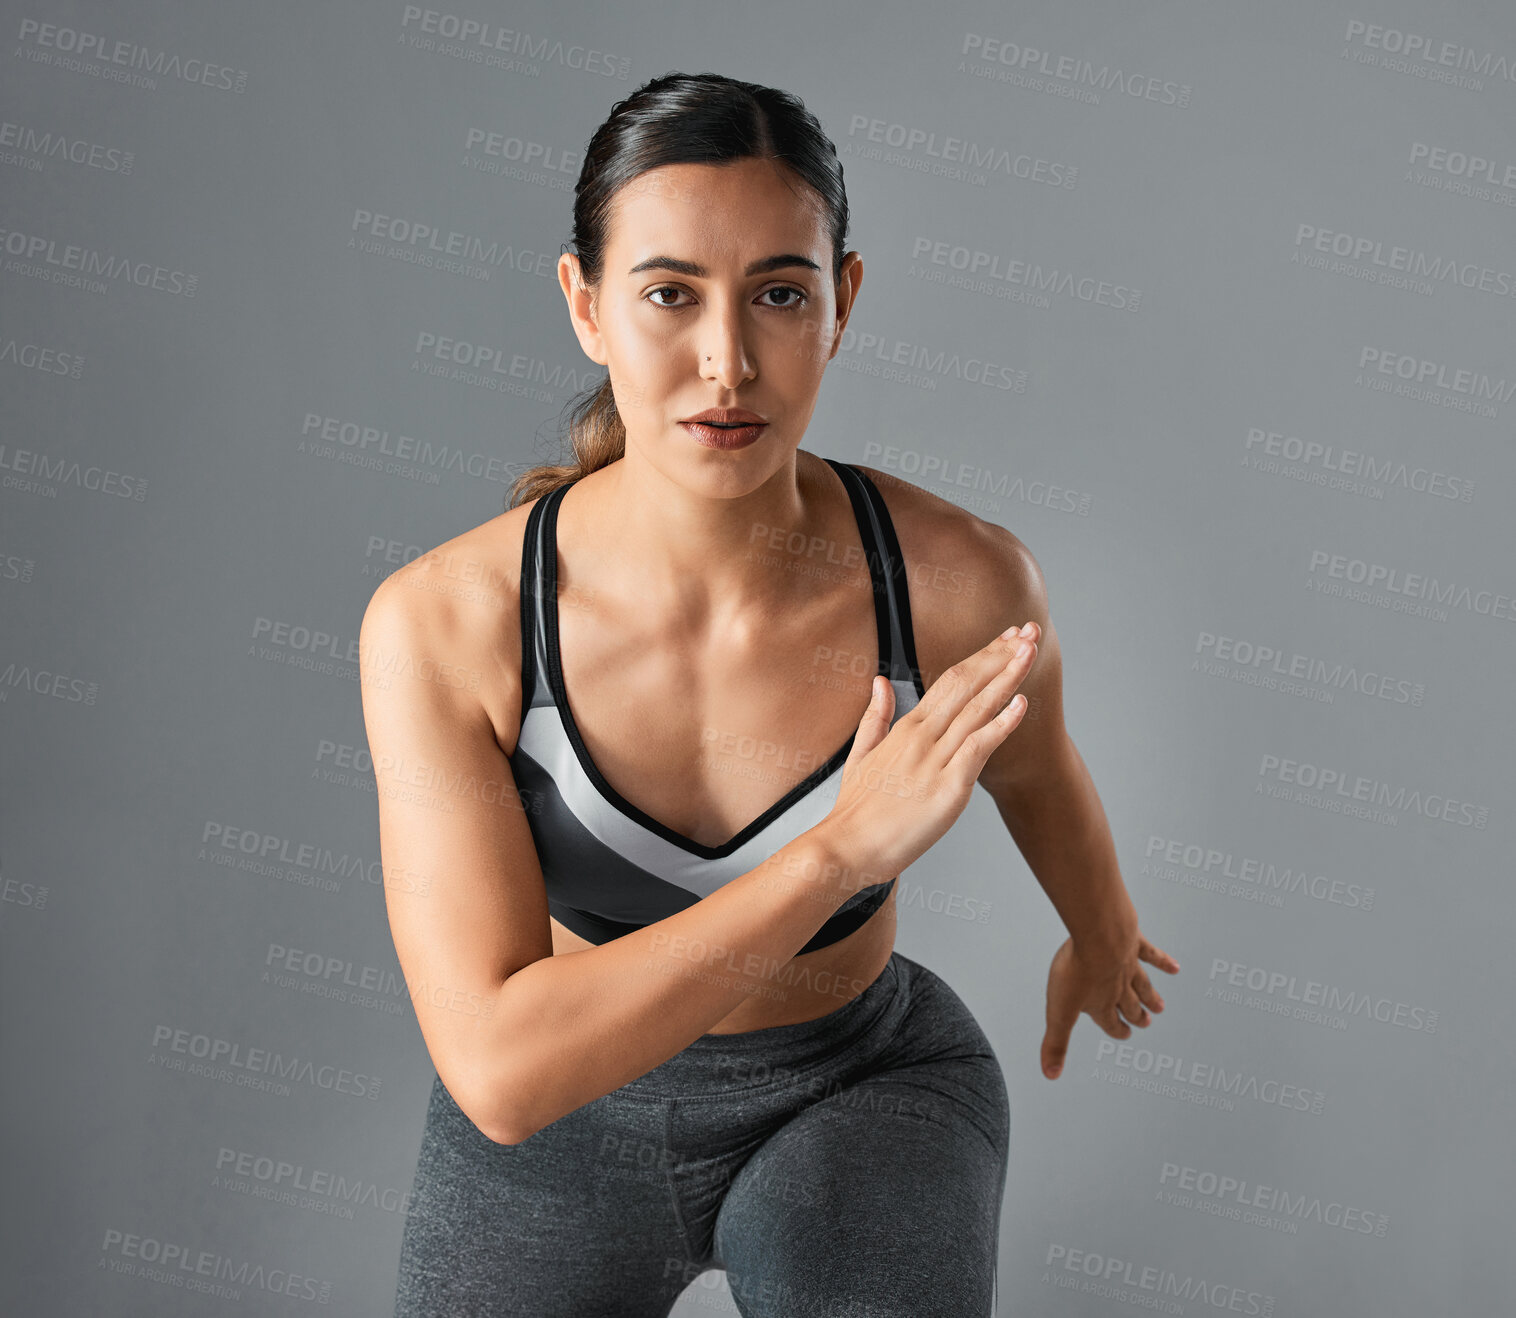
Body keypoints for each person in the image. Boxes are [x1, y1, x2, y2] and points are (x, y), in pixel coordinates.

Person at [359, 70, 1179, 1318]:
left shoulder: (956, 581)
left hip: (858, 1086)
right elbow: (502, 1071)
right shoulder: (446, 624)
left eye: (779, 295)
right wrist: (838, 852)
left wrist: (1101, 929)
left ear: (841, 302)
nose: (725, 360)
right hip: (566, 1117)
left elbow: (1037, 766)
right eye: (668, 294)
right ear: (585, 306)